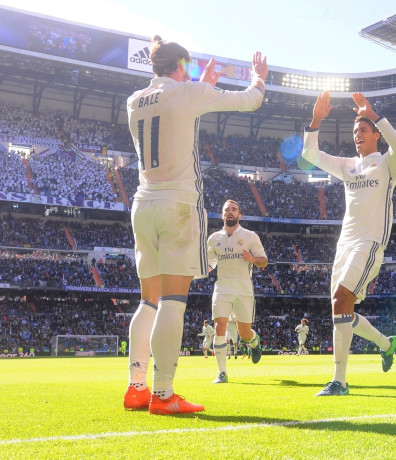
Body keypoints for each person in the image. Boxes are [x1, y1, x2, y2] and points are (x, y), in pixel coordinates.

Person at [123, 35, 268, 415]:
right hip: (178, 206)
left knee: (147, 300)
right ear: (182, 65)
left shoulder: (134, 100)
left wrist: (201, 86)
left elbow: (176, 118)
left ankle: (136, 387)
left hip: (143, 202)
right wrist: (259, 77)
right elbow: (250, 100)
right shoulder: (189, 92)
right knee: (173, 300)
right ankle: (164, 394)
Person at [301, 91, 396, 396]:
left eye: (363, 130)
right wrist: (316, 120)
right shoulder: (347, 165)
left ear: (375, 134)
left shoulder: (387, 164)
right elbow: (310, 156)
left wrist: (374, 114)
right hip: (344, 245)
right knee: (341, 308)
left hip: (370, 243)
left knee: (342, 299)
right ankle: (387, 344)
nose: (357, 135)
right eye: (355, 131)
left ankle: (340, 381)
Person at [207, 199, 268, 384]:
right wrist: (196, 272)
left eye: (234, 209)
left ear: (239, 215)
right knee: (220, 326)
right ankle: (222, 373)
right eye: (227, 210)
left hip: (243, 288)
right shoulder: (213, 238)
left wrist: (252, 258)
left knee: (244, 333)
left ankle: (254, 340)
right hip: (222, 287)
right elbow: (209, 264)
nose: (230, 212)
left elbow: (264, 261)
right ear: (222, 214)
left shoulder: (250, 236)